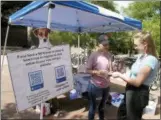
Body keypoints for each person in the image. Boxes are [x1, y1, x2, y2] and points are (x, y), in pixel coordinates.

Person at [111, 31, 159, 120]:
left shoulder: (150, 59)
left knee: (132, 117)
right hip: (130, 89)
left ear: (145, 44)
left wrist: (119, 75)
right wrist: (124, 74)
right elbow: (133, 74)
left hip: (138, 93)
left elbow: (137, 82)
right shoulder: (141, 57)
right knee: (122, 114)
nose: (135, 47)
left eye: (136, 45)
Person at [86, 34, 113, 120]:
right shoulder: (93, 55)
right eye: (104, 44)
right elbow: (87, 70)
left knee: (102, 107)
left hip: (106, 86)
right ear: (98, 44)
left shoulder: (109, 55)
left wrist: (112, 72)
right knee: (93, 108)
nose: (106, 46)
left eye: (107, 44)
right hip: (95, 86)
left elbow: (110, 70)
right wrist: (98, 72)